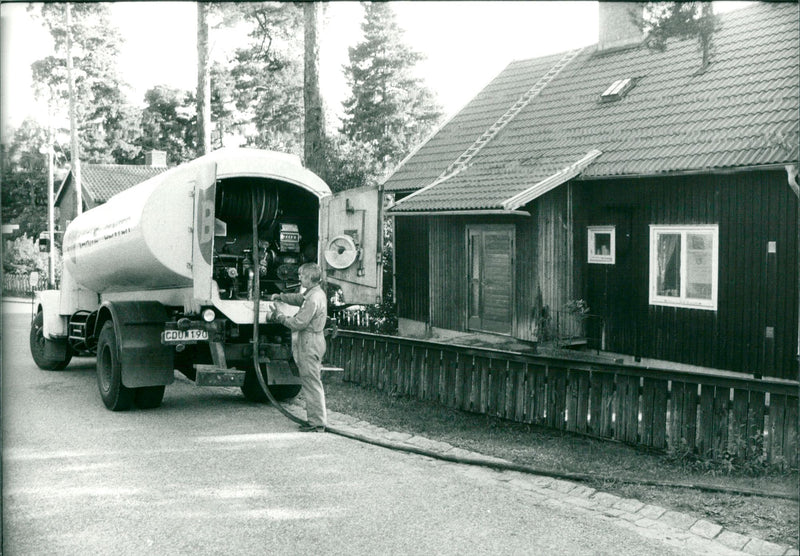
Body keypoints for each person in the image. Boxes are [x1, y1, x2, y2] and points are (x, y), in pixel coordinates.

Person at [267, 262, 328, 432]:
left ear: (309, 277)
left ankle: (317, 423)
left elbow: (298, 323)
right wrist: (280, 296)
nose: (299, 277)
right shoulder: (314, 293)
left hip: (310, 342)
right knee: (311, 382)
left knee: (311, 383)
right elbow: (299, 299)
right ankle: (316, 421)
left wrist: (279, 316)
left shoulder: (313, 298)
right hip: (313, 340)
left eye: (301, 275)